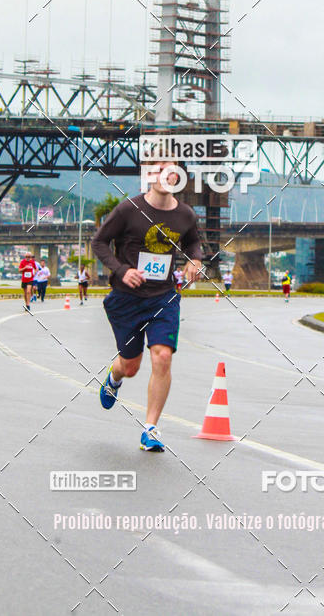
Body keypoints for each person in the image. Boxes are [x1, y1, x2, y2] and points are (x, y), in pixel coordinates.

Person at [92, 160, 202, 452]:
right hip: (126, 298)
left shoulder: (185, 215)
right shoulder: (129, 210)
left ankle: (150, 429)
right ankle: (114, 378)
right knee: (130, 366)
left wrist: (195, 260)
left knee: (162, 357)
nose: (163, 177)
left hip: (163, 297)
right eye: (157, 171)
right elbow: (99, 242)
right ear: (149, 177)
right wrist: (121, 270)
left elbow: (193, 242)